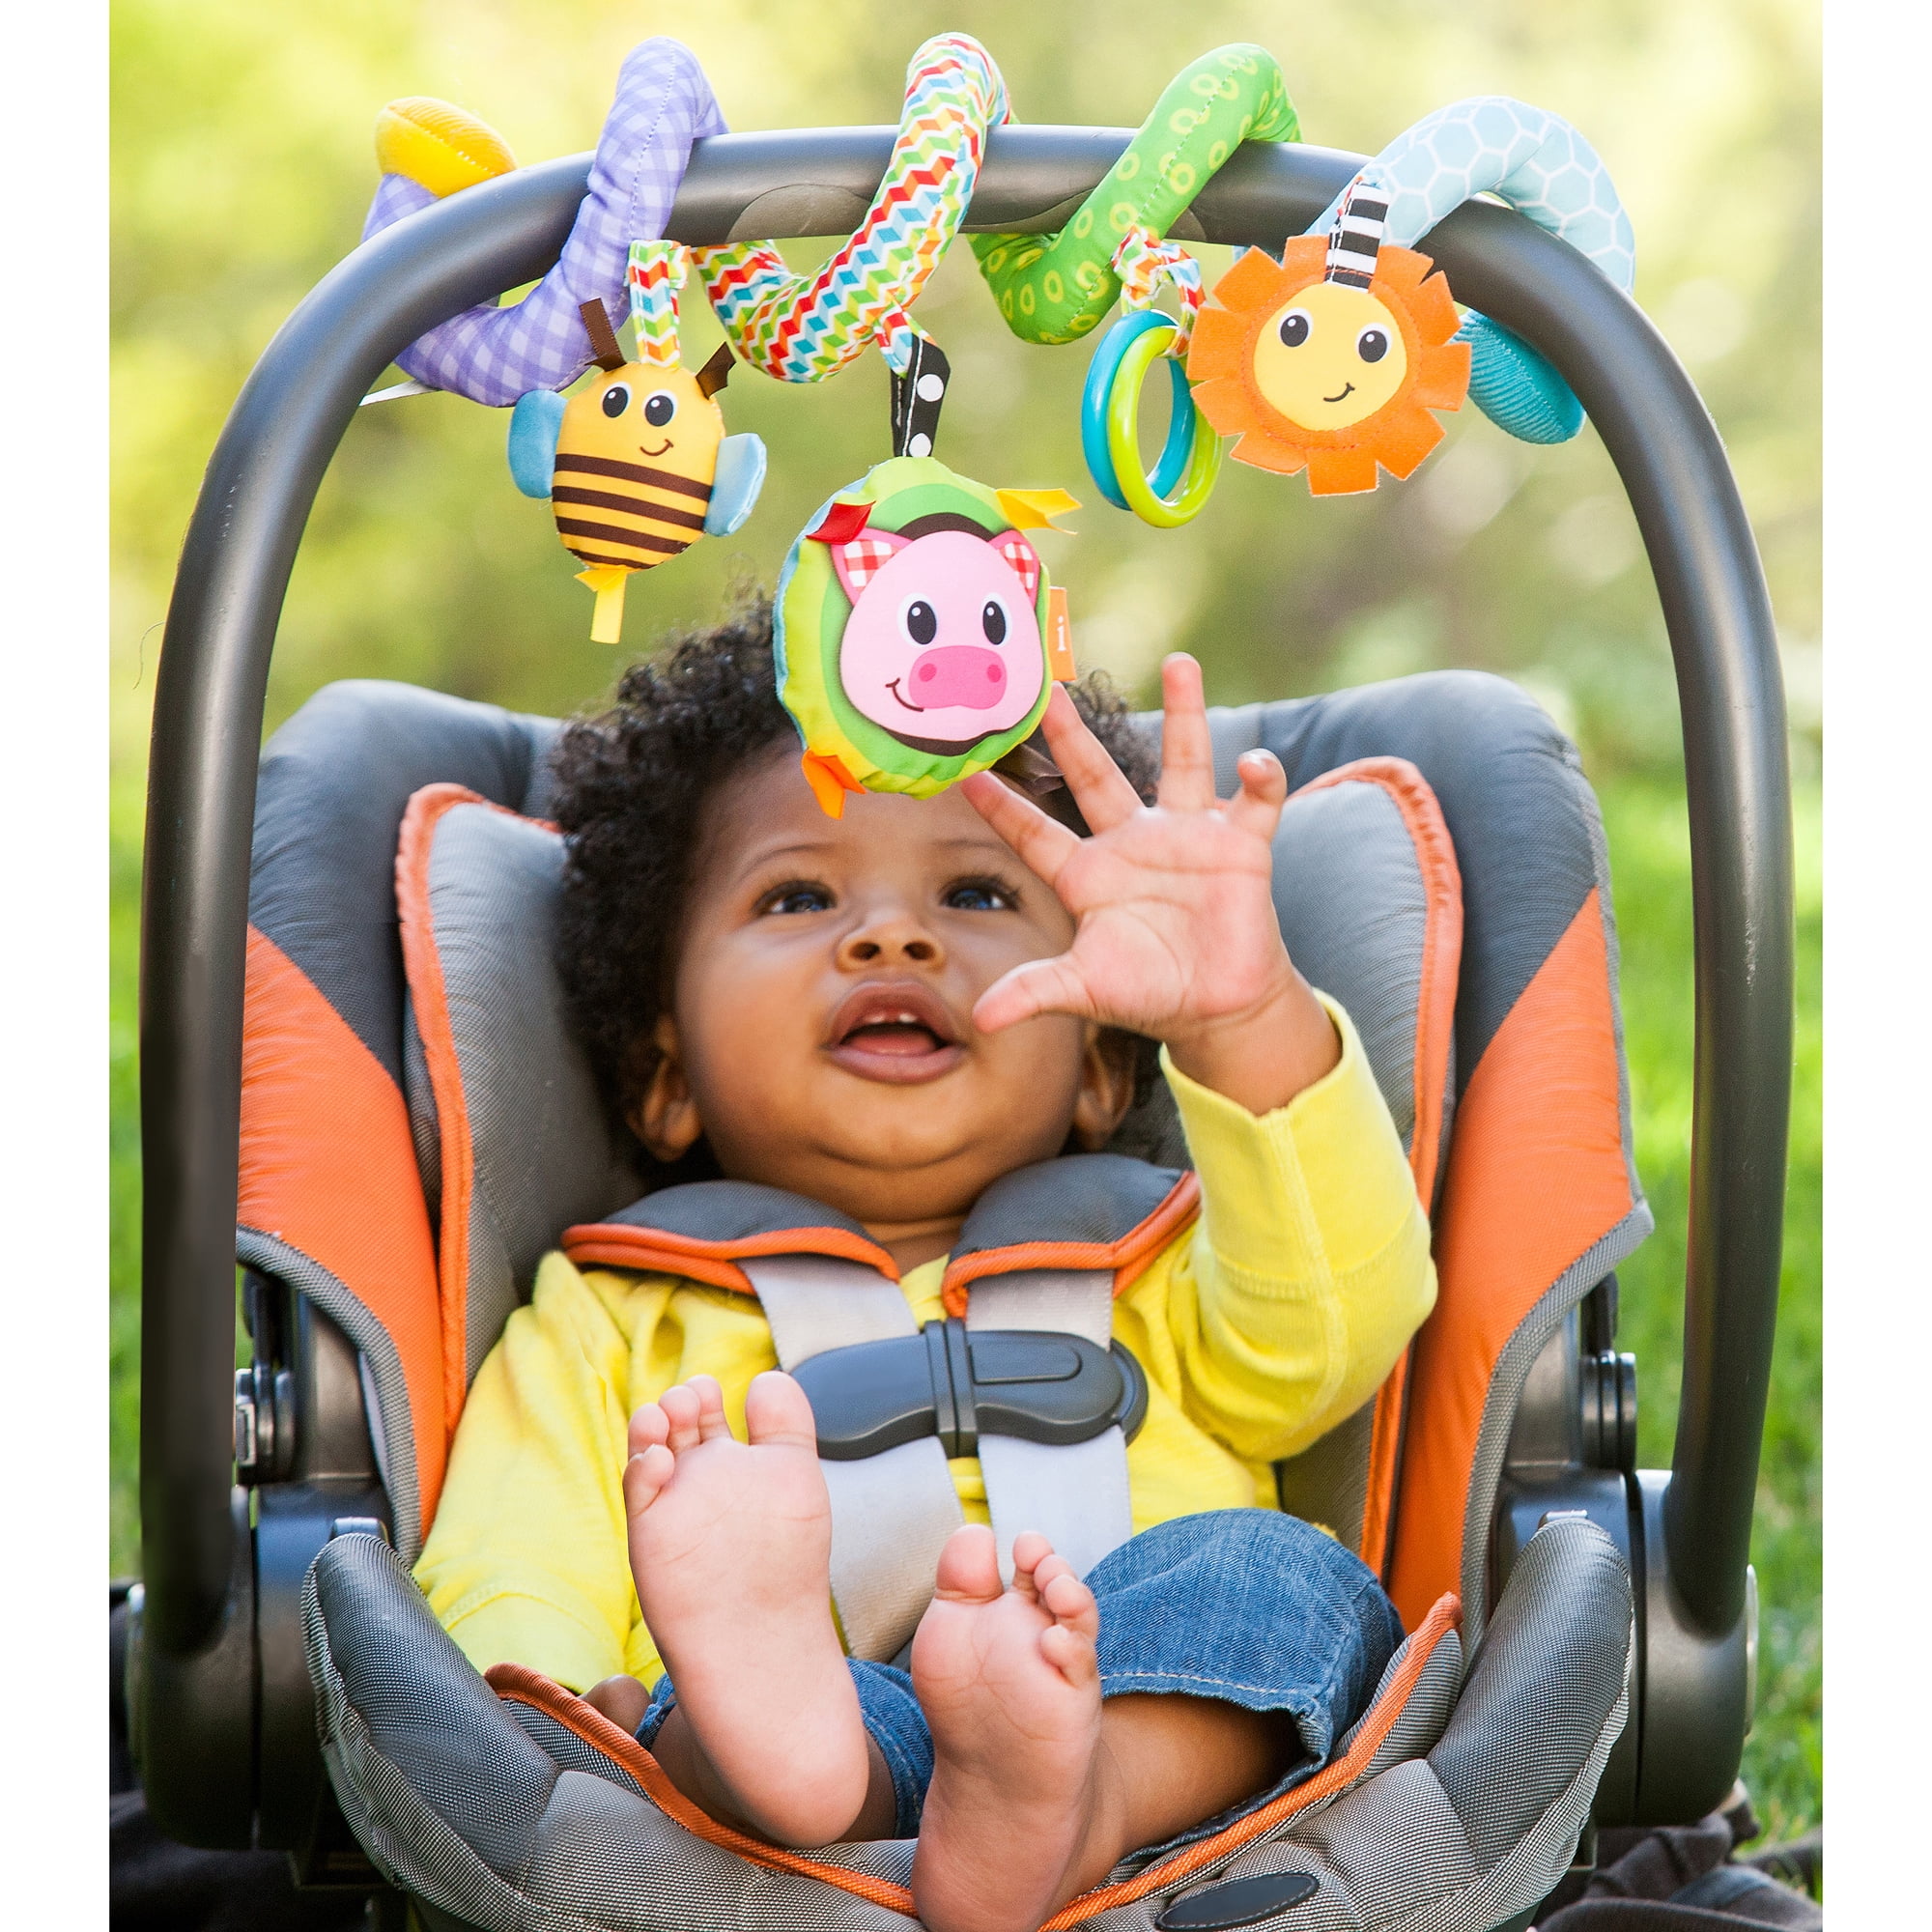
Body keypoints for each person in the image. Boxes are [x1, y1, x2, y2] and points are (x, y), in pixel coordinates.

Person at [414, 597, 1437, 1932]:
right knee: (687, 1709)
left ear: (1102, 1062)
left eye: (976, 893)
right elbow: (516, 1550)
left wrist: (1240, 1017)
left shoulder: (1171, 1264)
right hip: (783, 1759)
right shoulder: (611, 1317)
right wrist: (557, 1706)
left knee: (1281, 1586)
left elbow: (1344, 1322)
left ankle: (1068, 1797)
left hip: (1139, 1721)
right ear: (666, 1076)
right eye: (798, 895)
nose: (893, 937)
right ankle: (802, 1762)